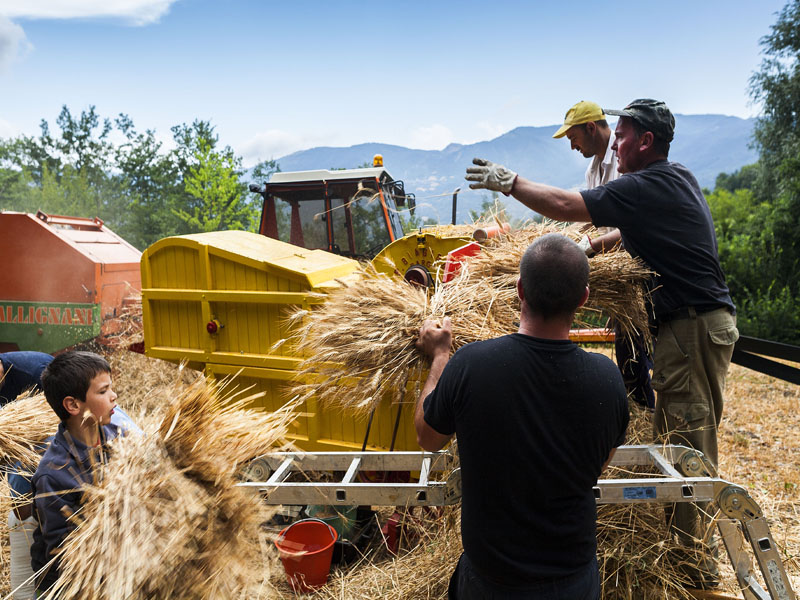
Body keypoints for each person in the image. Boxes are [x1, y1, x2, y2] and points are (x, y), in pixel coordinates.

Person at [465, 99, 739, 588]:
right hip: (689, 328)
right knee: (673, 439)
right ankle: (682, 551)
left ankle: (696, 569)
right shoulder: (673, 180)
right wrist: (591, 246)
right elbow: (632, 235)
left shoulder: (648, 182)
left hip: (692, 327)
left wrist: (510, 183)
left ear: (646, 141)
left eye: (624, 134)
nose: (616, 140)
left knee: (690, 447)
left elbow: (569, 205)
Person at [415, 234, 629, 599]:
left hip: (491, 583)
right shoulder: (607, 379)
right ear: (584, 299)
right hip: (573, 583)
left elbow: (428, 437)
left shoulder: (471, 365)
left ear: (519, 290)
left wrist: (438, 358)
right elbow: (601, 462)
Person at [553, 100, 656, 411]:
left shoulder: (626, 160)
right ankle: (637, 414)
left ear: (590, 128)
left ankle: (644, 416)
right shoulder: (593, 169)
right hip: (621, 272)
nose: (572, 146)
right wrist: (566, 236)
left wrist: (589, 246)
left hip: (641, 274)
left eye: (573, 138)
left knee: (635, 357)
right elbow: (595, 215)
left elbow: (634, 227)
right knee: (628, 355)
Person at [29, 351, 127, 594]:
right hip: (69, 587)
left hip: (116, 571)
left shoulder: (118, 436)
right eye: (103, 391)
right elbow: (64, 552)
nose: (114, 396)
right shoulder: (54, 475)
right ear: (73, 405)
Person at [1, 351, 53, 600]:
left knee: (23, 479)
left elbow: (59, 418)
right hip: (17, 446)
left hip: (47, 437)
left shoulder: (34, 371)